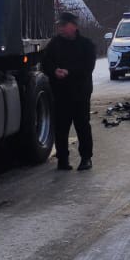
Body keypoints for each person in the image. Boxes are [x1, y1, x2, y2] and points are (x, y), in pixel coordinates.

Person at [41, 12, 96, 170]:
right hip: (60, 93)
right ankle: (62, 159)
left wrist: (68, 72)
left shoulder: (86, 45)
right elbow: (46, 63)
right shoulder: (54, 44)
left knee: (82, 125)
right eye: (59, 26)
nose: (61, 29)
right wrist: (54, 71)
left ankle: (86, 158)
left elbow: (88, 67)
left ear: (74, 26)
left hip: (80, 93)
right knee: (61, 127)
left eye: (64, 25)